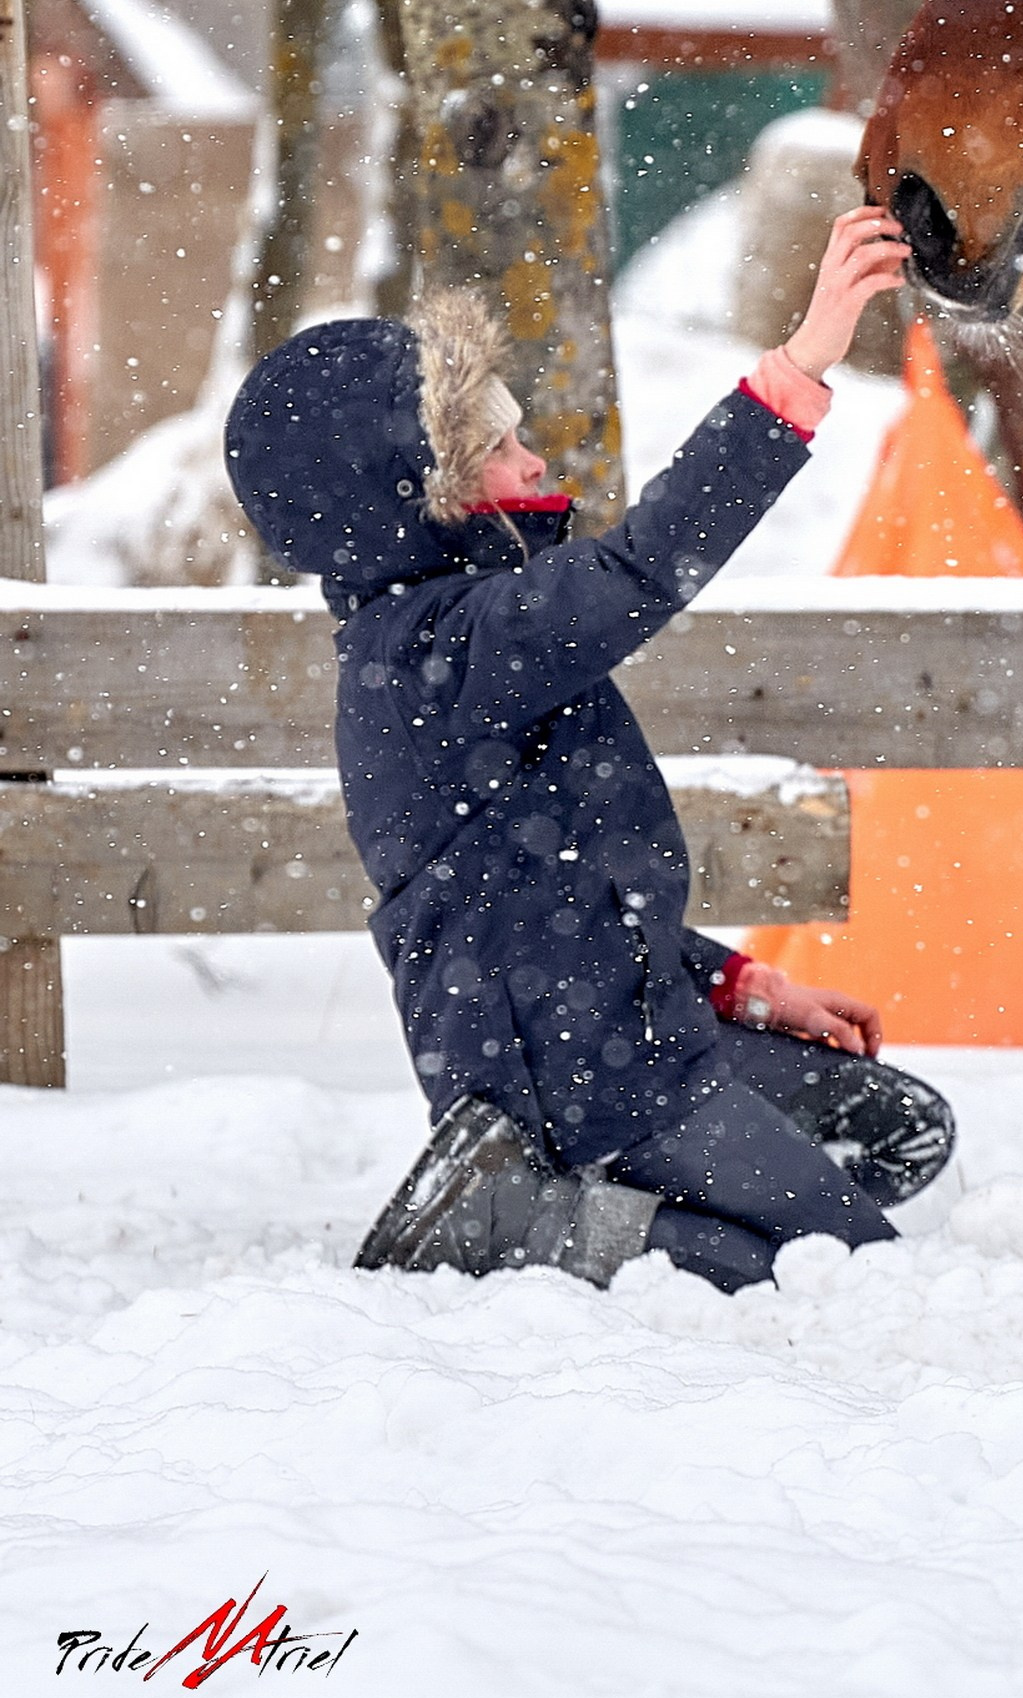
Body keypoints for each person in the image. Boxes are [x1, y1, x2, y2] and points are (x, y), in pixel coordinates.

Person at [224, 206, 954, 1293]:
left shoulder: (475, 629)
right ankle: (525, 1217)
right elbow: (643, 571)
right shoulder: (437, 652)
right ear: (421, 497)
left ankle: (643, 1209)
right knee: (832, 1273)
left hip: (637, 1039)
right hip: (572, 1084)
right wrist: (799, 368)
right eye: (498, 443)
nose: (533, 457)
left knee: (900, 1127)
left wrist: (744, 986)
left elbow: (577, 900)